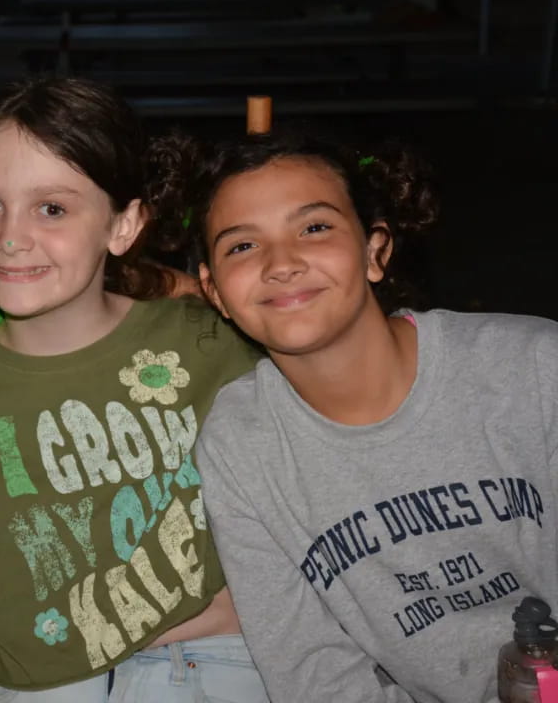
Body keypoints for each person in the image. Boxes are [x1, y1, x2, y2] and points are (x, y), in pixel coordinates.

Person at [0, 77, 268, 703]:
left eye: (53, 209)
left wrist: (258, 597)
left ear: (123, 225)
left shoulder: (210, 342)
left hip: (220, 660)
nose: (11, 237)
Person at [181, 130, 558, 702]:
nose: (281, 264)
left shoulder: (531, 366)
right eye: (241, 246)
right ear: (214, 292)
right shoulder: (240, 445)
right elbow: (312, 671)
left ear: (375, 251)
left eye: (314, 227)